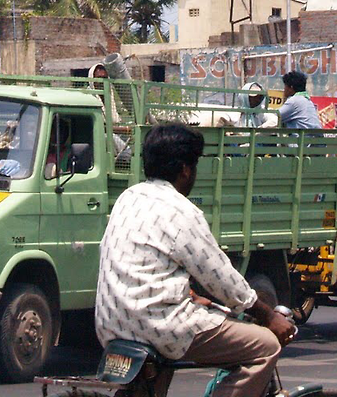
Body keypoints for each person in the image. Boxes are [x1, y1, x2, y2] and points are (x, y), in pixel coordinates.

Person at [96, 123, 295, 397]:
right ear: (185, 170)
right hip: (159, 325)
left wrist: (191, 296)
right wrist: (267, 315)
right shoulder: (181, 211)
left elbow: (144, 264)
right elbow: (220, 276)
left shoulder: (128, 198)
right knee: (265, 347)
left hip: (111, 323)